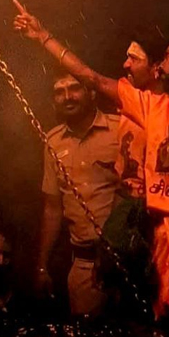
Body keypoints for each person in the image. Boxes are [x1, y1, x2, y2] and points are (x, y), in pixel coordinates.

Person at [13, 0, 169, 318]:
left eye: (133, 59)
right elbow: (92, 77)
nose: (125, 65)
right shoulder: (142, 104)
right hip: (129, 244)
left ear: (158, 67)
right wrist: (44, 37)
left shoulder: (149, 111)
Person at [36, 71, 119, 316]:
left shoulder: (119, 129)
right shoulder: (53, 142)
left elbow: (136, 194)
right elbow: (52, 208)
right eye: (59, 92)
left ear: (92, 92)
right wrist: (42, 266)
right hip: (84, 266)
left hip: (127, 263)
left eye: (74, 88)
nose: (67, 97)